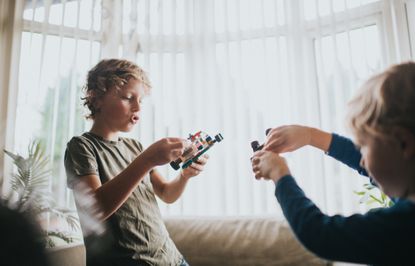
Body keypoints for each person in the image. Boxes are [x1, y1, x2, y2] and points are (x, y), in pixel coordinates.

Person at [251, 62, 415, 265]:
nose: (362, 160)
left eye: (363, 146)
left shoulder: (406, 224)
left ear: (403, 143)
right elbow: (368, 163)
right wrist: (309, 135)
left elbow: (318, 233)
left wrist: (280, 174)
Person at [64, 59, 208, 266]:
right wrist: (148, 159)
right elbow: (96, 209)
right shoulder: (82, 147)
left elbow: (167, 194)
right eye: (128, 97)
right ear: (95, 99)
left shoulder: (135, 147)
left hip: (171, 259)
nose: (137, 106)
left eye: (141, 100)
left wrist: (184, 175)